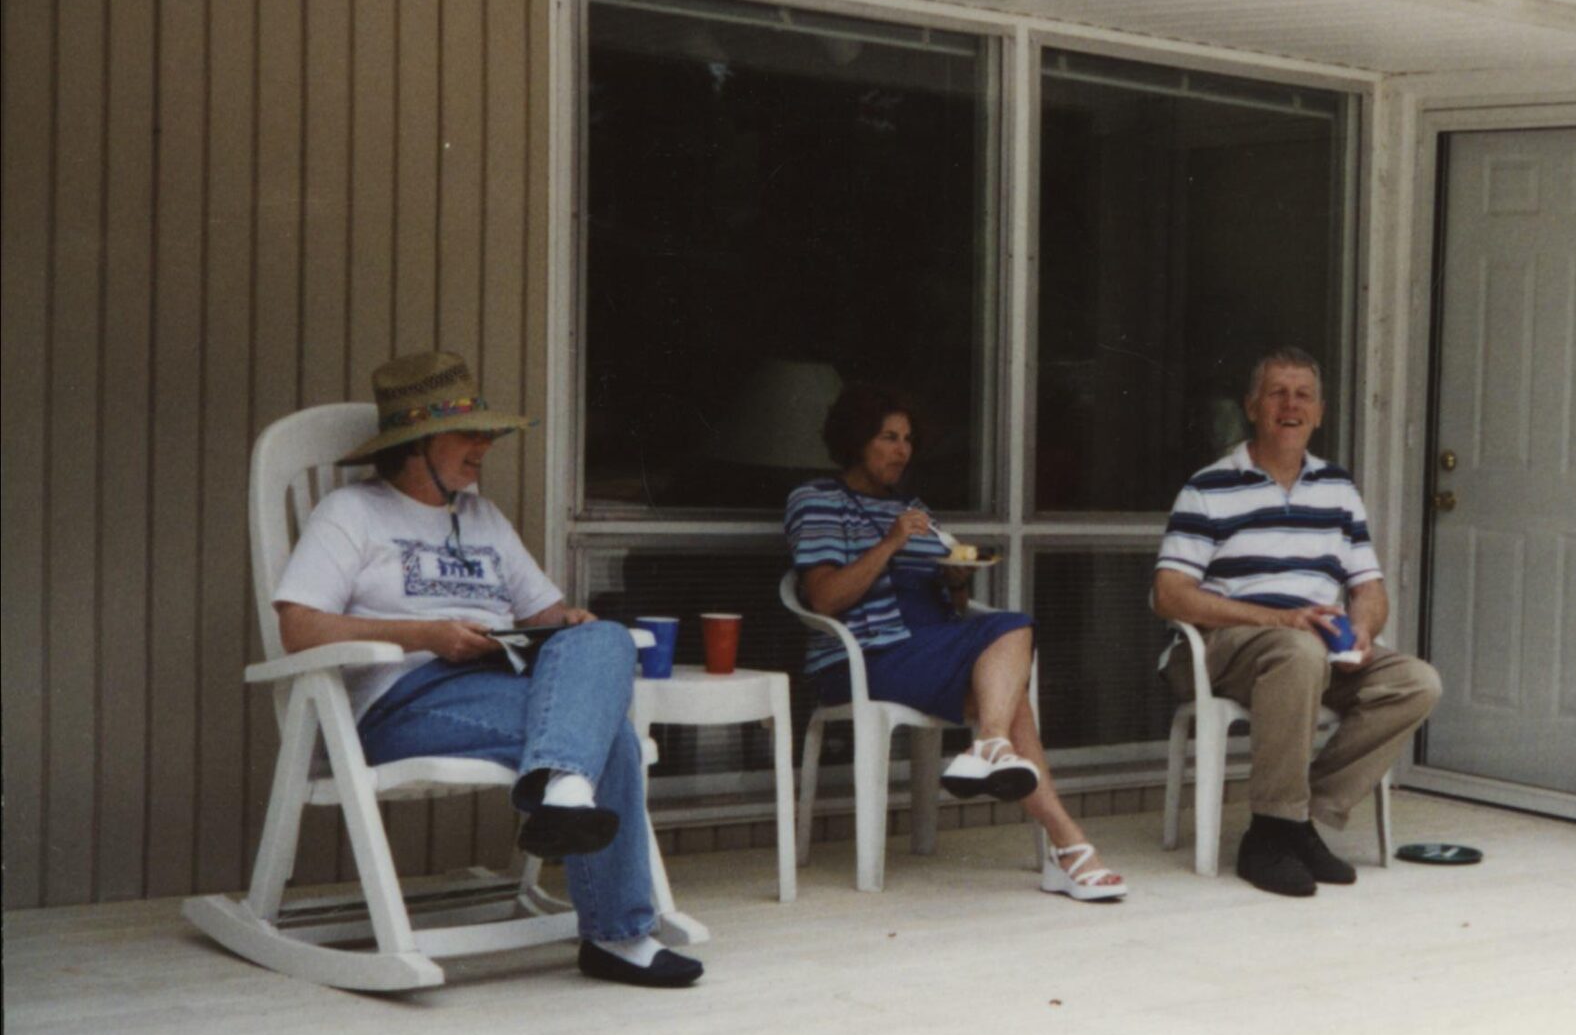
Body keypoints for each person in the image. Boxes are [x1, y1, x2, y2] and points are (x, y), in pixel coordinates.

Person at [272, 352, 701, 987]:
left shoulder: (484, 518)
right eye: (468, 434)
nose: (485, 446)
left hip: (510, 683)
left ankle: (563, 790)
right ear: (417, 443)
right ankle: (617, 935)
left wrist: (571, 627)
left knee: (604, 635)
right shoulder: (351, 514)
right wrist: (428, 635)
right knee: (605, 735)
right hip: (404, 703)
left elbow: (548, 613)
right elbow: (298, 626)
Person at [786, 383, 1123, 901]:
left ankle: (1045, 816)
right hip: (865, 656)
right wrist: (893, 542)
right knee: (1014, 636)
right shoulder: (817, 501)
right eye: (889, 437)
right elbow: (826, 598)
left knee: (1009, 687)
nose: (903, 450)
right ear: (856, 440)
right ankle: (1063, 842)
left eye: (908, 439)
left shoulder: (914, 506)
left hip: (929, 649)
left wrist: (955, 582)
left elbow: (957, 610)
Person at [1152, 348, 1441, 898]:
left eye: (1303, 395)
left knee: (1415, 682)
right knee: (1297, 650)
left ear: (1320, 412)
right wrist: (1278, 617)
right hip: (1220, 649)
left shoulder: (1337, 489)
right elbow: (1169, 595)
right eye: (1277, 394)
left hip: (1312, 645)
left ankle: (1297, 820)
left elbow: (1369, 588)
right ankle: (1269, 835)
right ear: (1252, 408)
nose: (1291, 406)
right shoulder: (1209, 487)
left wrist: (1362, 628)